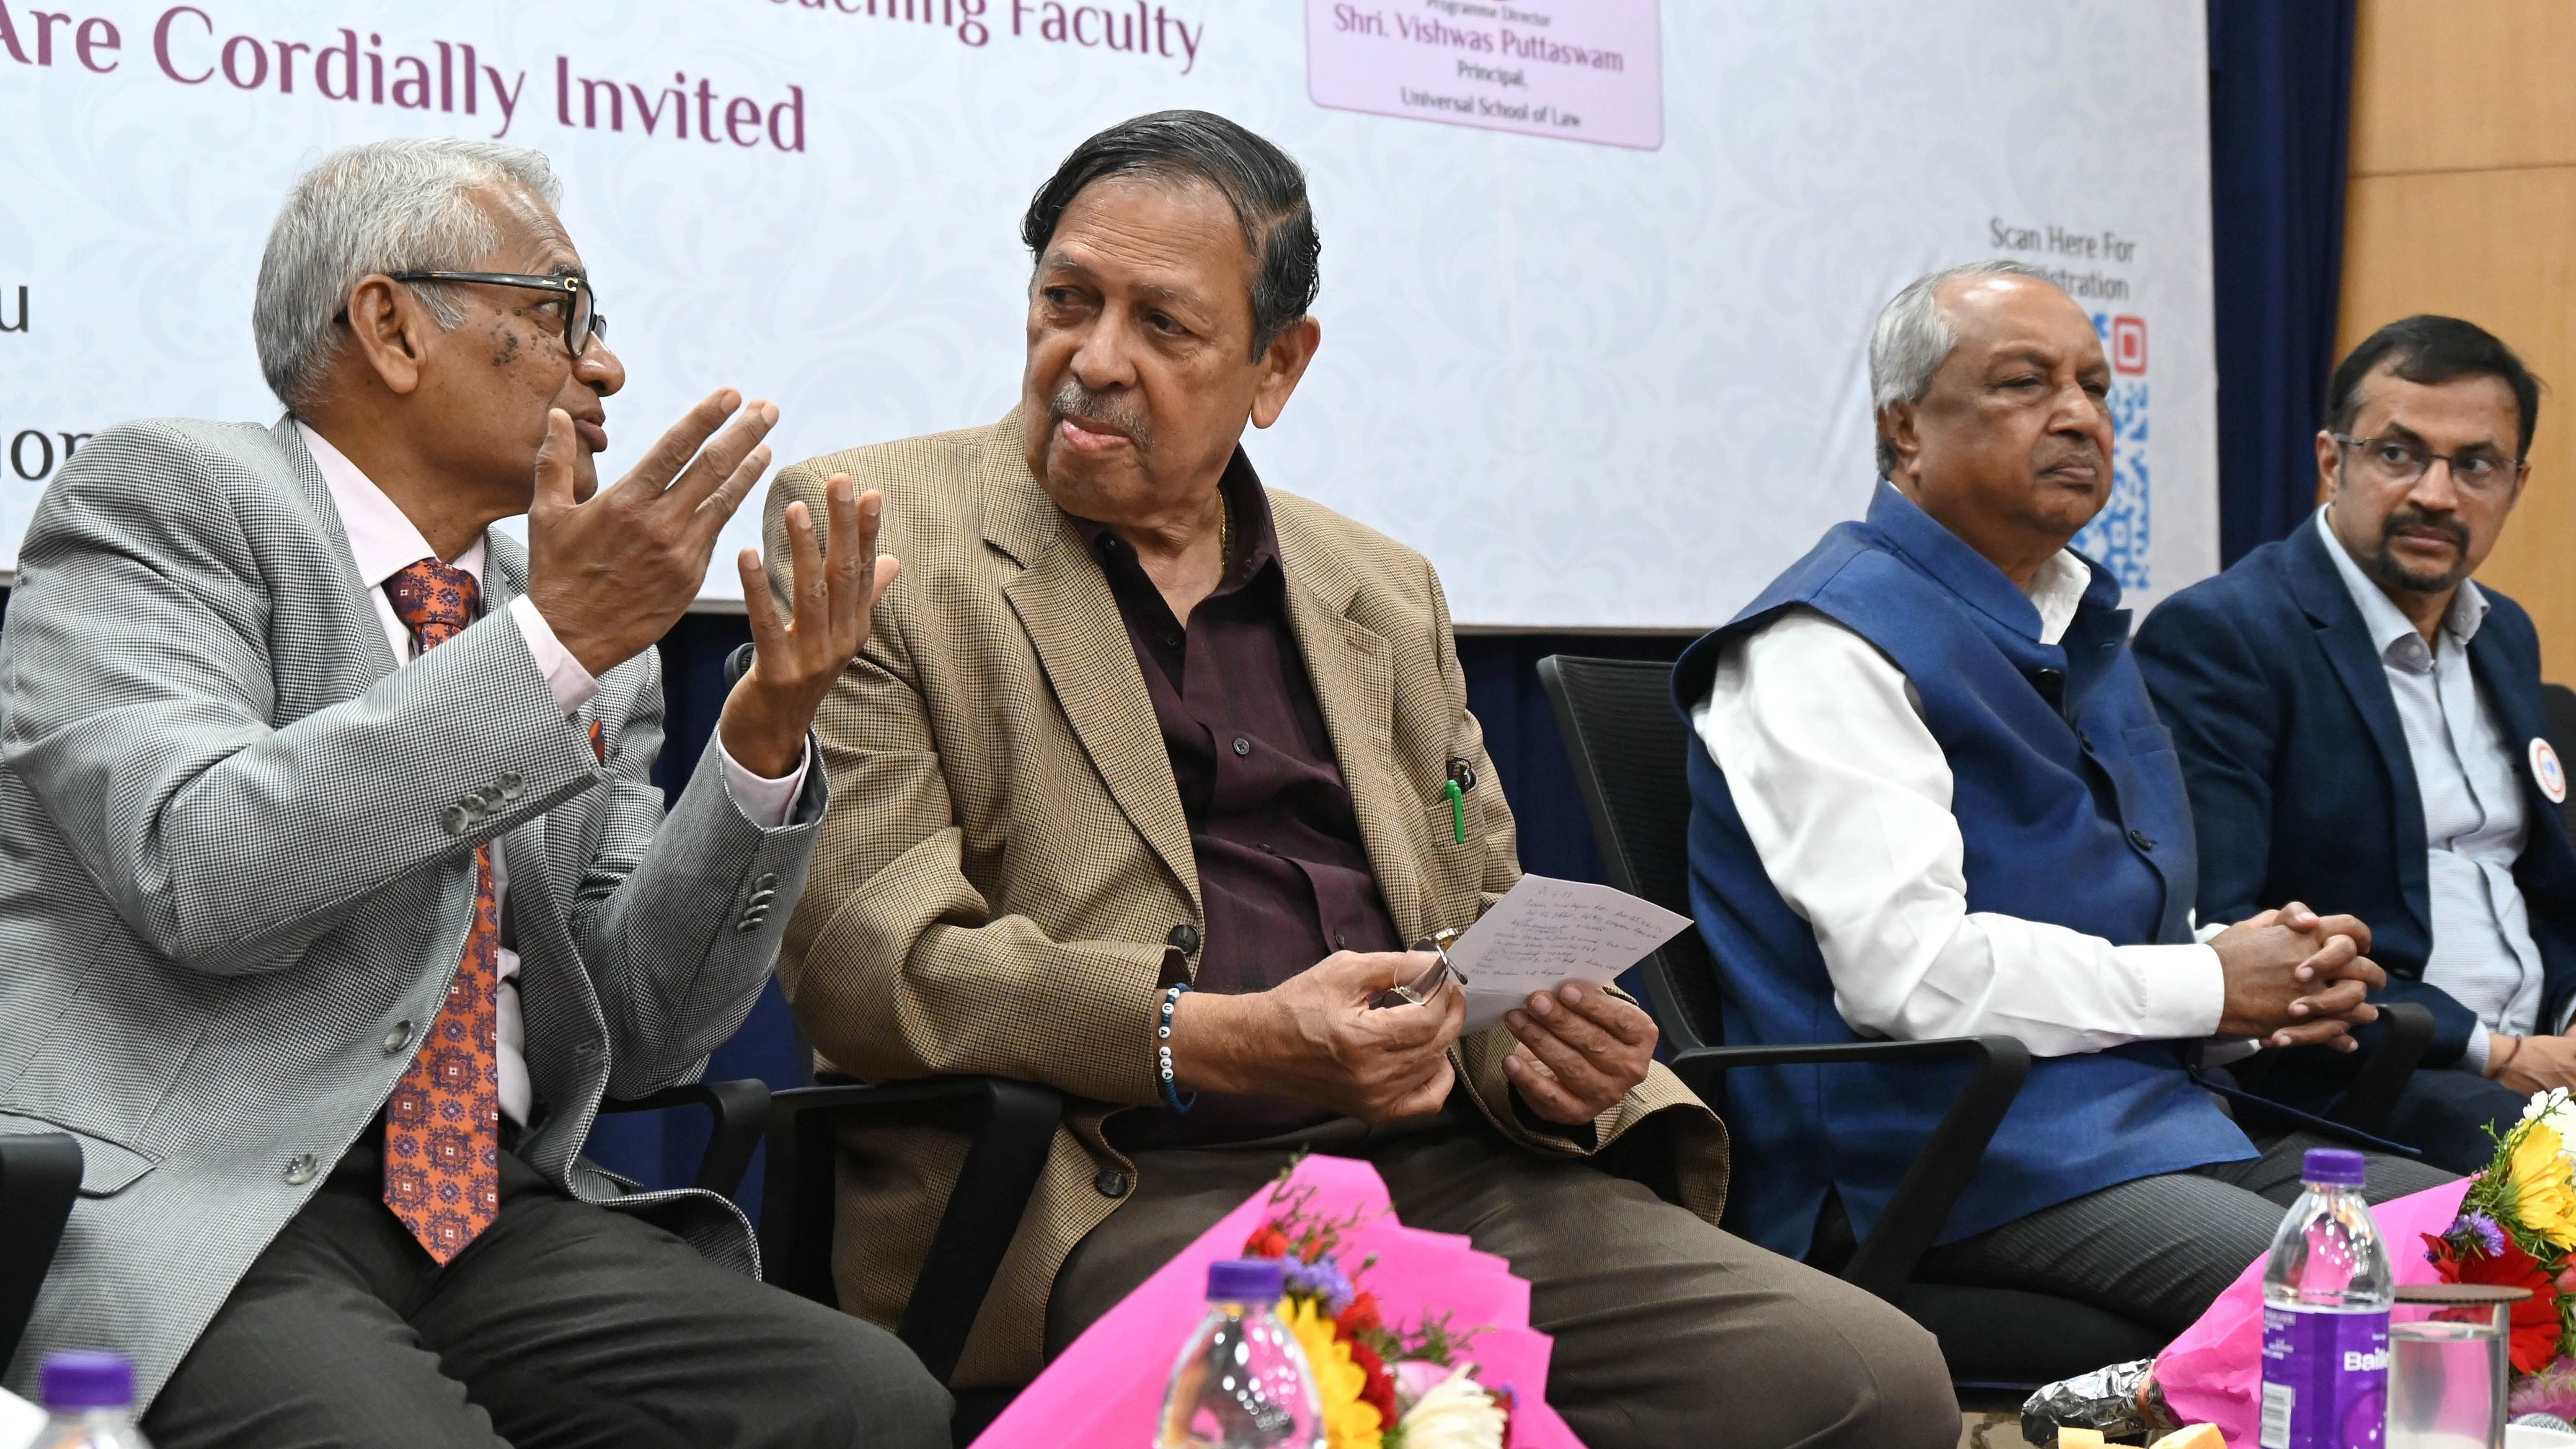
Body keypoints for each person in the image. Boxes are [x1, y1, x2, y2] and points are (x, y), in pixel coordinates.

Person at [764, 110, 1959, 1448]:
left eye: (1163, 327)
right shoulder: (874, 531)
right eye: (1065, 301)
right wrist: (1207, 1033)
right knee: (1382, 1413)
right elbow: (875, 965)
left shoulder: (1377, 588)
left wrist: (1554, 1044)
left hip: (1445, 1159)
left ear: (1277, 366)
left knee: (1868, 1378)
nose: (1090, 361)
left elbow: (1480, 909)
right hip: (1110, 1183)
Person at [0, 138, 946, 1448]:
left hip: (488, 1210)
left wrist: (763, 739)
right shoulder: (170, 501)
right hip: (218, 1211)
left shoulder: (561, 626)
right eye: (558, 313)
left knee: (866, 1403)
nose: (603, 365)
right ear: (389, 325)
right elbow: (196, 867)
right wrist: (546, 650)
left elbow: (639, 1026)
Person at [1674, 260, 2455, 1335]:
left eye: (2094, 385)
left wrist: (2267, 983)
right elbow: (1912, 979)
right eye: (2025, 383)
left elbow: (2113, 929)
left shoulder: (2070, 624)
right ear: (1904, 431)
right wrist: (2207, 984)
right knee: (2364, 1304)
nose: (2079, 415)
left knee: (2507, 1252)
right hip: (1931, 1164)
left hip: (2153, 1126)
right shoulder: (1827, 643)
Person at [2135, 316, 2576, 1172]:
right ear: (2332, 462)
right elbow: (2226, 929)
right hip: (2359, 1071)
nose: (2436, 495)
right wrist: (2501, 1055)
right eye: (2398, 454)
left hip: (2538, 1054)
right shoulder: (2226, 636)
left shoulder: (2504, 633)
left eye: (2474, 465)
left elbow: (2546, 886)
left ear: (2516, 484)